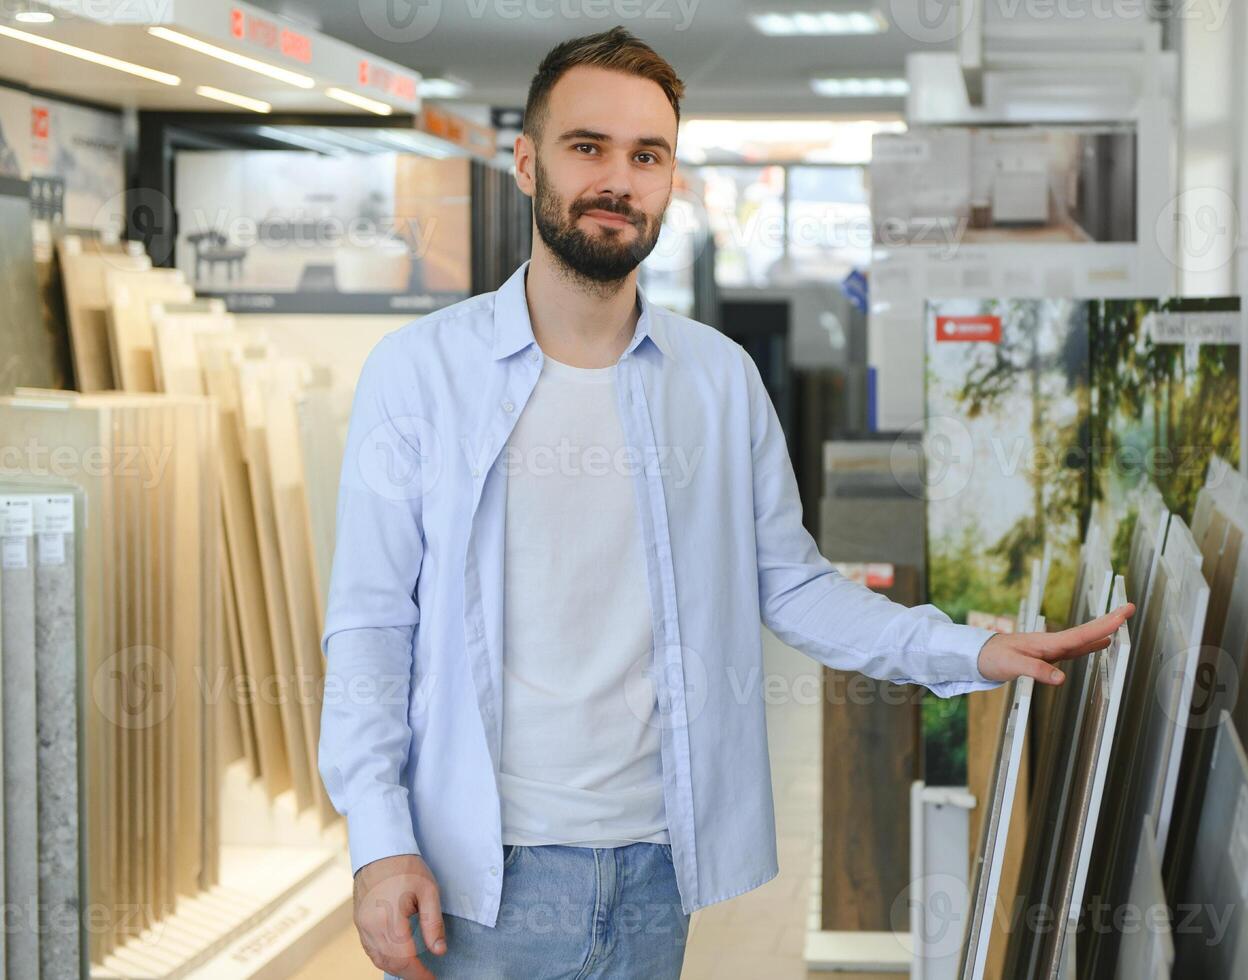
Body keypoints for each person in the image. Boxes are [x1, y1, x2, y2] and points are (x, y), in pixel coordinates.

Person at [318, 27, 1133, 980]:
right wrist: (378, 841)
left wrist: (968, 648)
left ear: (671, 178)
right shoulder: (420, 375)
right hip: (478, 878)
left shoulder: (716, 380)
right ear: (526, 161)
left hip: (656, 870)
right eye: (588, 147)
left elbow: (790, 585)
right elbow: (372, 625)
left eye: (647, 155)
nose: (618, 180)